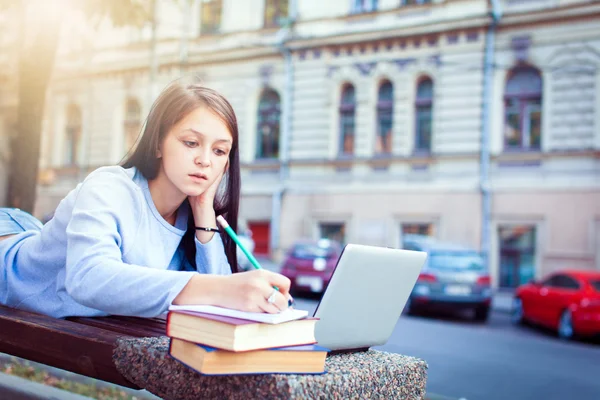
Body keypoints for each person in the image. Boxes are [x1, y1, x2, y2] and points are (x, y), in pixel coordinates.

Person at [0, 81, 291, 319]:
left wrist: (203, 210)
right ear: (158, 144)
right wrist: (221, 288)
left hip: (37, 236)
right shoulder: (109, 186)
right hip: (7, 248)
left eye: (219, 151)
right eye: (191, 143)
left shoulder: (193, 215)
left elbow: (219, 306)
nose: (205, 160)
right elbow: (87, 278)